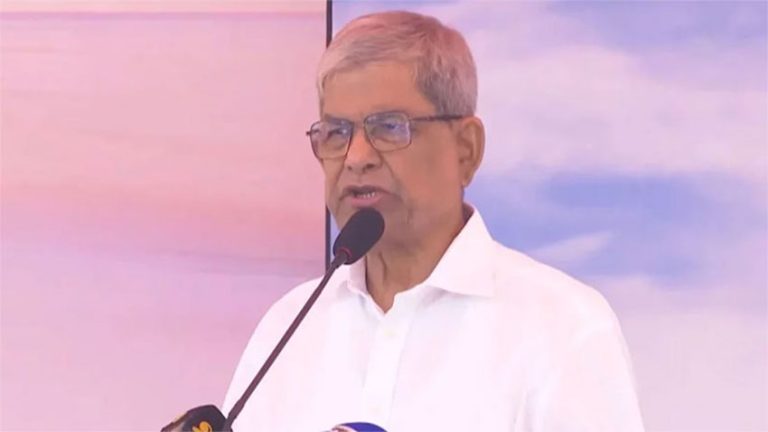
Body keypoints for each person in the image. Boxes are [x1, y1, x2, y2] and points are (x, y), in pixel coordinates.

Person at [223, 10, 644, 432]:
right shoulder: (288, 329)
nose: (356, 158)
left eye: (389, 127)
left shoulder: (562, 327)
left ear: (466, 149)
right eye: (336, 133)